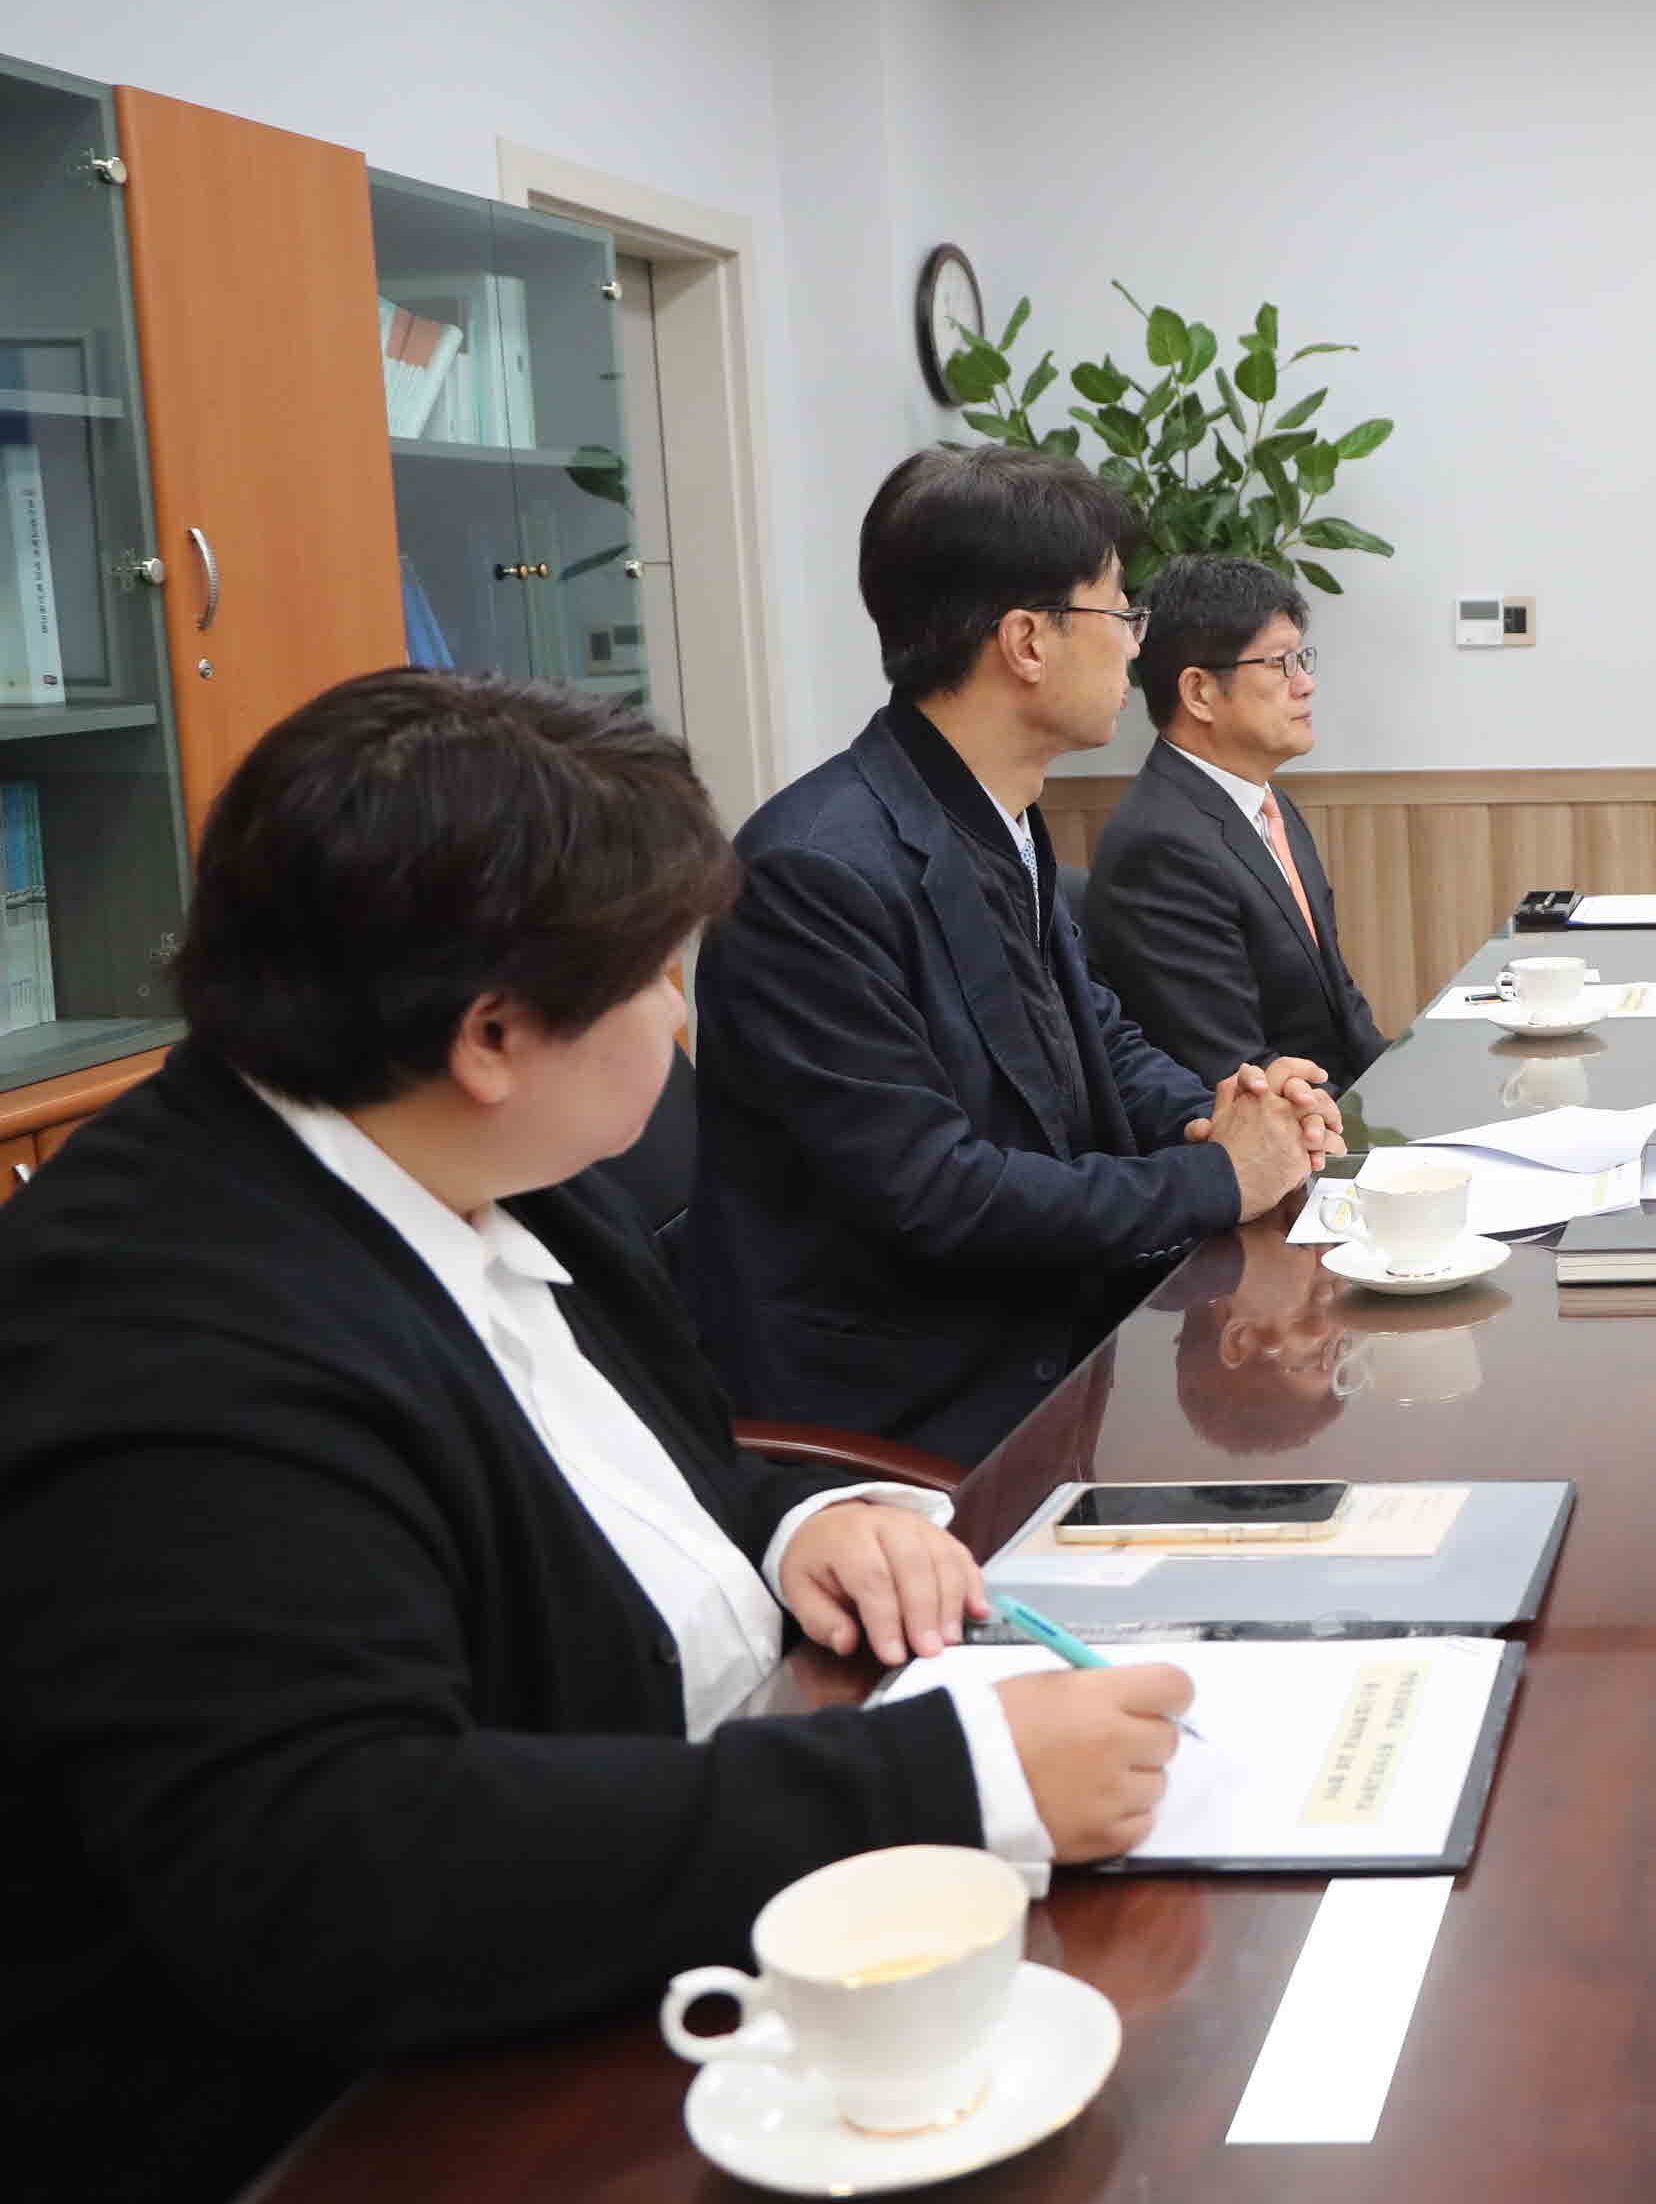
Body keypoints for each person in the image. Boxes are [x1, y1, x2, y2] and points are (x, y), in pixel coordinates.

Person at [0, 671, 1197, 2199]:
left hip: (655, 1929)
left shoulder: (487, 1154)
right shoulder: (169, 1335)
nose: (682, 1019)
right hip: (359, 2120)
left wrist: (795, 1521)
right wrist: (952, 1781)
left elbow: (638, 1465)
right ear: (493, 1033)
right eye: (655, 979)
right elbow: (338, 1868)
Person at [683, 446, 1339, 1465]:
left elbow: (1096, 1039)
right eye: (1122, 615)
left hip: (1052, 1351)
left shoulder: (997, 812)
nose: (1135, 651)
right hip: (906, 1420)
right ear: (1027, 640)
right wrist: (1216, 1178)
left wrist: (1217, 1101)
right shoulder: (813, 872)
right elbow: (938, 1189)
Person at [1085, 554, 1388, 1091]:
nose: (1306, 684)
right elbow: (1232, 1066)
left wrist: (1407, 1094)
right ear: (1200, 692)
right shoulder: (1160, 846)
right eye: (1278, 664)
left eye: (1302, 659)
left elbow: (1342, 1008)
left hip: (1338, 1115)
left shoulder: (1270, 805)